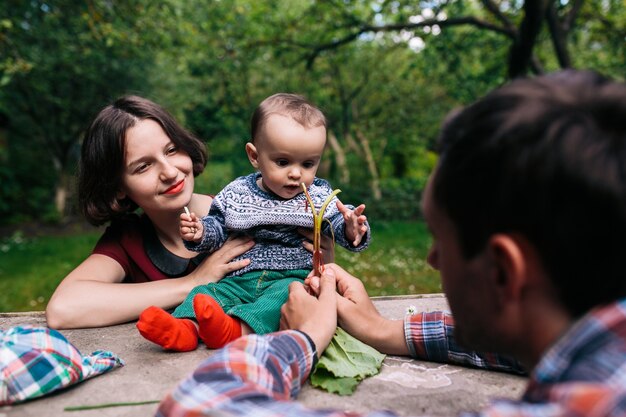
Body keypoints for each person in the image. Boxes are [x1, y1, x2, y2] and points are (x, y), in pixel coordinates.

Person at [156, 70, 626, 417]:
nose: (431, 259)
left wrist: (307, 335)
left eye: (441, 241)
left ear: (504, 270)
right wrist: (379, 330)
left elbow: (202, 404)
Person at [44, 95, 322, 329]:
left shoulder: (246, 211)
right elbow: (63, 309)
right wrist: (193, 283)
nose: (169, 172)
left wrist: (324, 259)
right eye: (143, 166)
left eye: (172, 150)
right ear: (118, 187)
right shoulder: (128, 241)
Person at [136, 93, 370, 352]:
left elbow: (335, 219)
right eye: (282, 162)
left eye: (308, 163)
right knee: (207, 294)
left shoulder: (317, 194)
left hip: (291, 277)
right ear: (255, 156)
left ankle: (234, 331)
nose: (295, 173)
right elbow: (218, 226)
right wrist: (200, 232)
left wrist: (350, 228)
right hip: (240, 275)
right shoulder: (237, 192)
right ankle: (184, 328)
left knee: (280, 301)